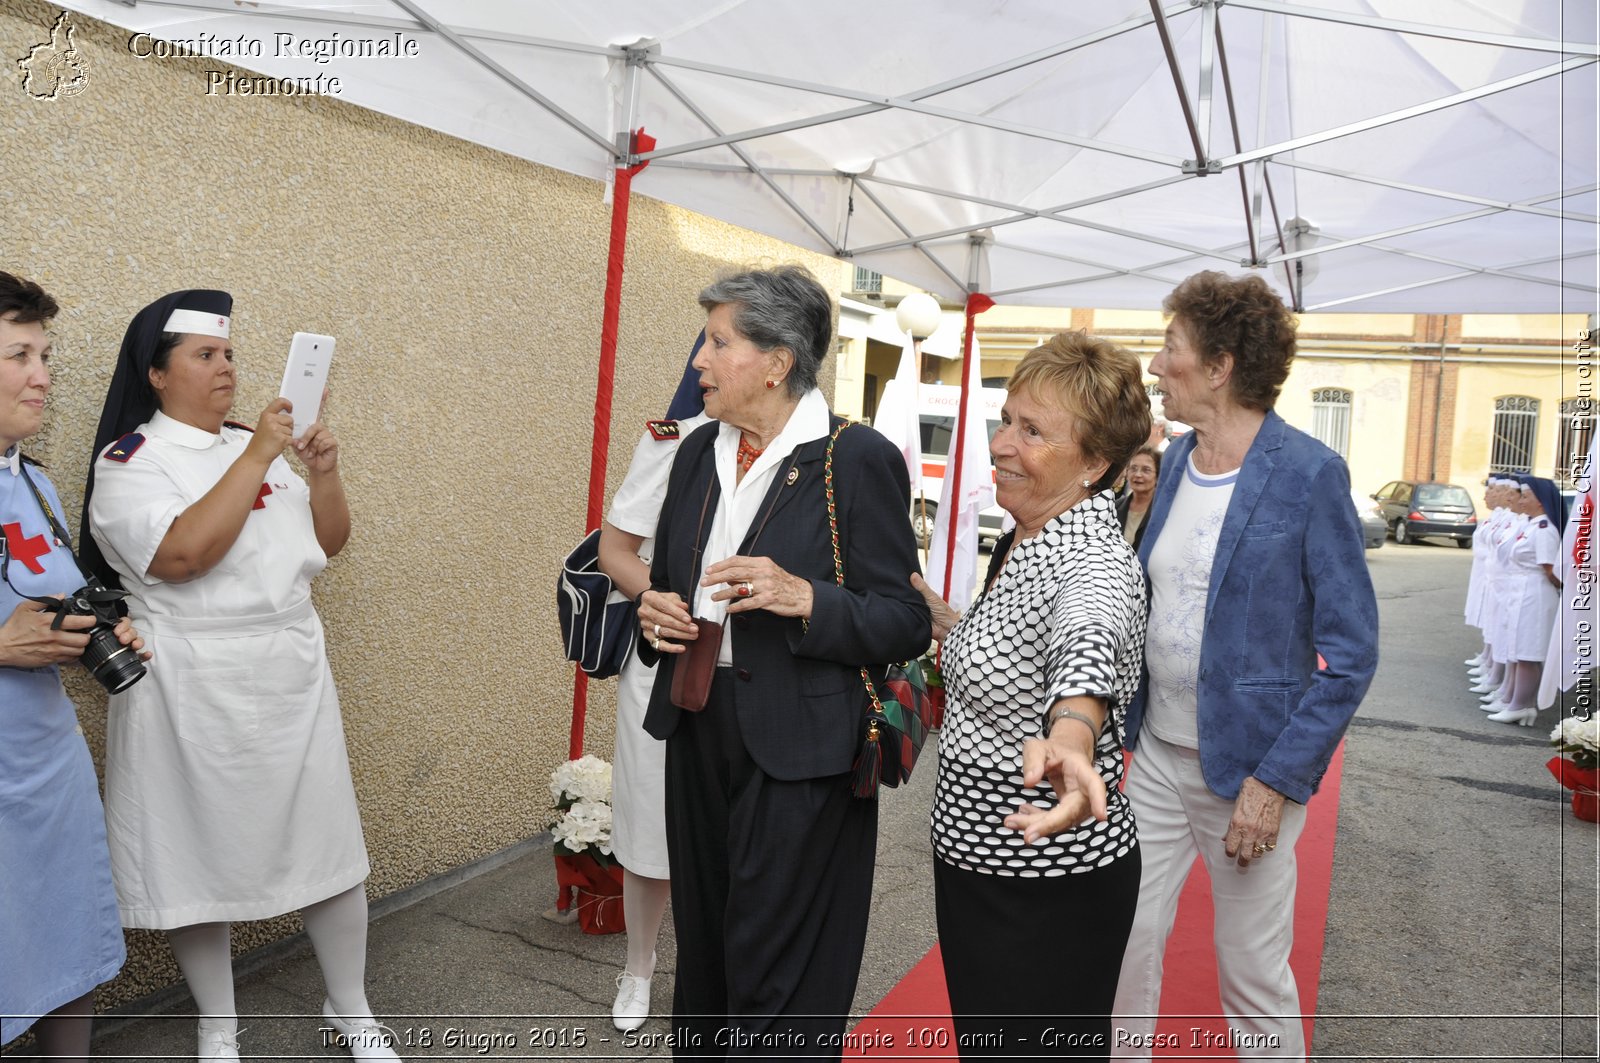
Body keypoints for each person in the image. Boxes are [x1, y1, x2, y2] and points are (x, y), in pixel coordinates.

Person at [81, 290, 399, 1062]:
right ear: (156, 374)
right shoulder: (130, 462)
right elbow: (181, 557)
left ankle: (350, 1007)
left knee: (325, 845)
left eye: (228, 353)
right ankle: (218, 1023)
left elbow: (327, 543)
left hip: (287, 669)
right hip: (191, 677)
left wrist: (322, 473)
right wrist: (259, 452)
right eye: (204, 355)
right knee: (201, 857)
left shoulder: (252, 444)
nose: (226, 367)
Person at [633, 265, 930, 1058]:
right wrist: (654, 612)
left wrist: (807, 597)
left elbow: (905, 620)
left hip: (803, 752)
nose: (698, 358)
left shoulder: (853, 458)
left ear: (776, 361)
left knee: (781, 971)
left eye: (718, 341)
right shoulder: (696, 452)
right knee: (704, 952)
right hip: (698, 728)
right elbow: (668, 580)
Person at [1112, 271, 1379, 1062]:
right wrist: (1133, 512)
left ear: (1221, 365)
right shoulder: (1166, 467)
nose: (1157, 366)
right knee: (1123, 944)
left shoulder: (1308, 474)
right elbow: (1143, 595)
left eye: (1171, 348)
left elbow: (1352, 652)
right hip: (1156, 754)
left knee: (1252, 975)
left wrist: (1278, 780)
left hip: (1251, 772)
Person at [912, 331, 1152, 1058]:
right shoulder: (1025, 534)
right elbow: (1021, 652)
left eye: (1033, 431)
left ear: (1096, 463)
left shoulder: (1097, 562)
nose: (1001, 443)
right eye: (1008, 418)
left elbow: (1087, 646)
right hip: (982, 867)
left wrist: (1073, 736)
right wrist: (941, 618)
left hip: (1044, 887)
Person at [0, 271, 145, 1062]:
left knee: (64, 937)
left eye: (44, 353)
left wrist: (109, 629)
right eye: (20, 353)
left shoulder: (37, 484)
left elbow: (51, 602)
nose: (43, 374)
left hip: (44, 763)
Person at [594, 342, 712, 1031]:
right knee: (650, 824)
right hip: (666, 657)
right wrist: (660, 597)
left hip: (746, 667)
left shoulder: (805, 452)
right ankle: (638, 968)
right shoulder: (675, 440)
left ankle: (711, 973)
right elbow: (615, 550)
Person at [1483, 477, 1565, 726]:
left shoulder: (1544, 529)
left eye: (1526, 496)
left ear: (1540, 501)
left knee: (1528, 653)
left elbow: (1551, 570)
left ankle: (1521, 705)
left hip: (1535, 595)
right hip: (1522, 592)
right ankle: (1514, 701)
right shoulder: (1532, 525)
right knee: (1518, 650)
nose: (1521, 499)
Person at [1116, 445, 1161, 548]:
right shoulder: (1114, 507)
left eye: (1146, 470)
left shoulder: (1162, 511)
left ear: (1158, 476)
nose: (1138, 474)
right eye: (1133, 468)